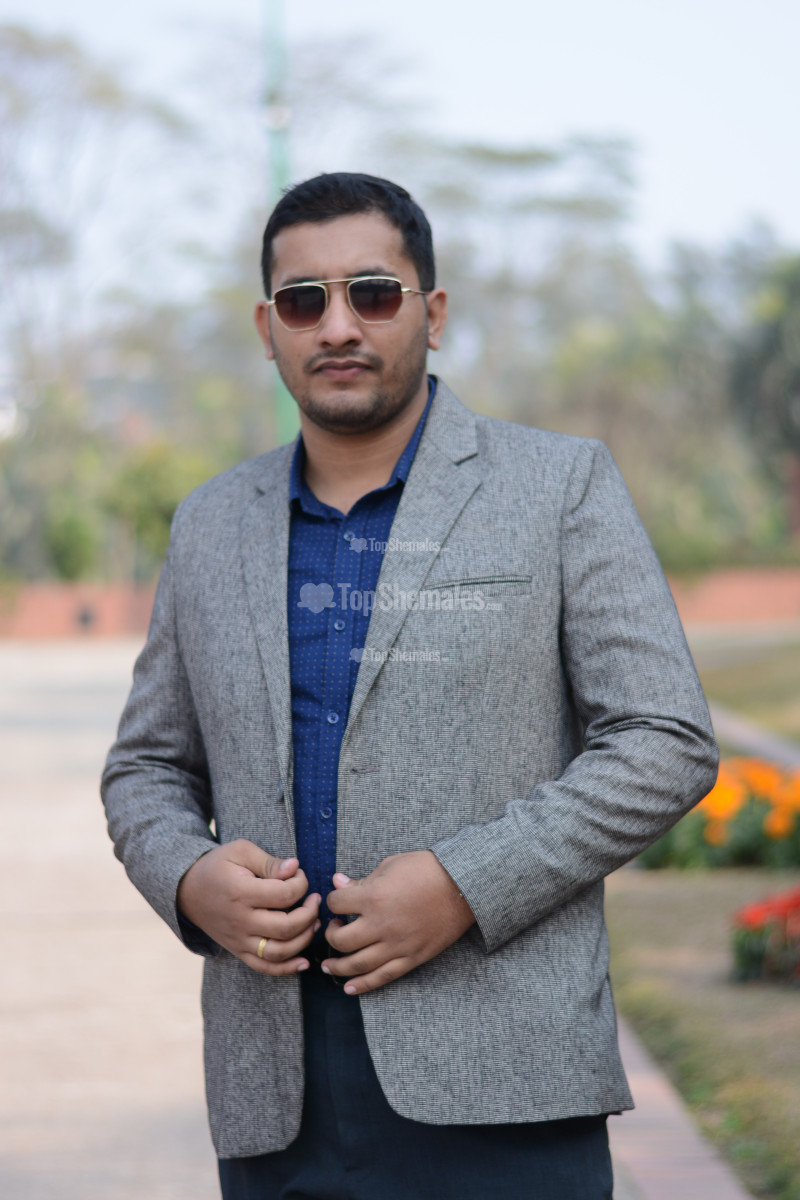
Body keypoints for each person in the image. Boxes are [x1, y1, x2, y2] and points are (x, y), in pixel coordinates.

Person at [101, 172, 718, 1199]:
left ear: (430, 314)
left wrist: (463, 884)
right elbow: (147, 765)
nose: (338, 325)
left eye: (373, 293)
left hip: (505, 1084)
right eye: (304, 301)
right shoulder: (209, 522)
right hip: (275, 1097)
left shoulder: (558, 486)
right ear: (267, 329)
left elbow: (664, 739)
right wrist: (187, 878)